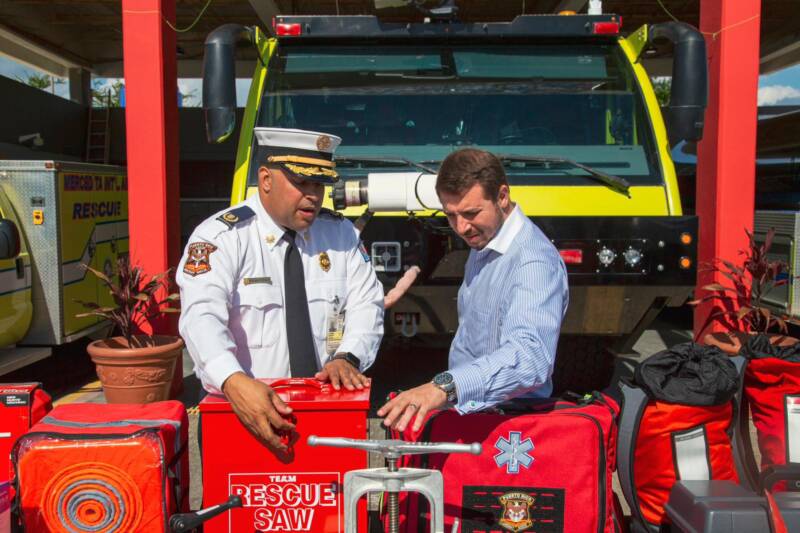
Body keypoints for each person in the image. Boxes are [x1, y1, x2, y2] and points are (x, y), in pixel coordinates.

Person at [177, 128, 384, 453]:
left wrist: (348, 356)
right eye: (302, 183)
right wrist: (234, 381)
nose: (314, 195)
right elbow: (201, 318)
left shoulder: (340, 234)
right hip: (241, 412)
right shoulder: (221, 237)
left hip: (325, 413)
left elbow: (367, 303)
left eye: (319, 184)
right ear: (266, 179)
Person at [378, 148, 568, 432]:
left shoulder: (533, 263)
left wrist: (445, 388)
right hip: (477, 415)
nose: (461, 227)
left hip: (508, 427)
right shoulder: (487, 240)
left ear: (502, 196)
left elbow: (530, 360)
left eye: (471, 213)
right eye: (451, 215)